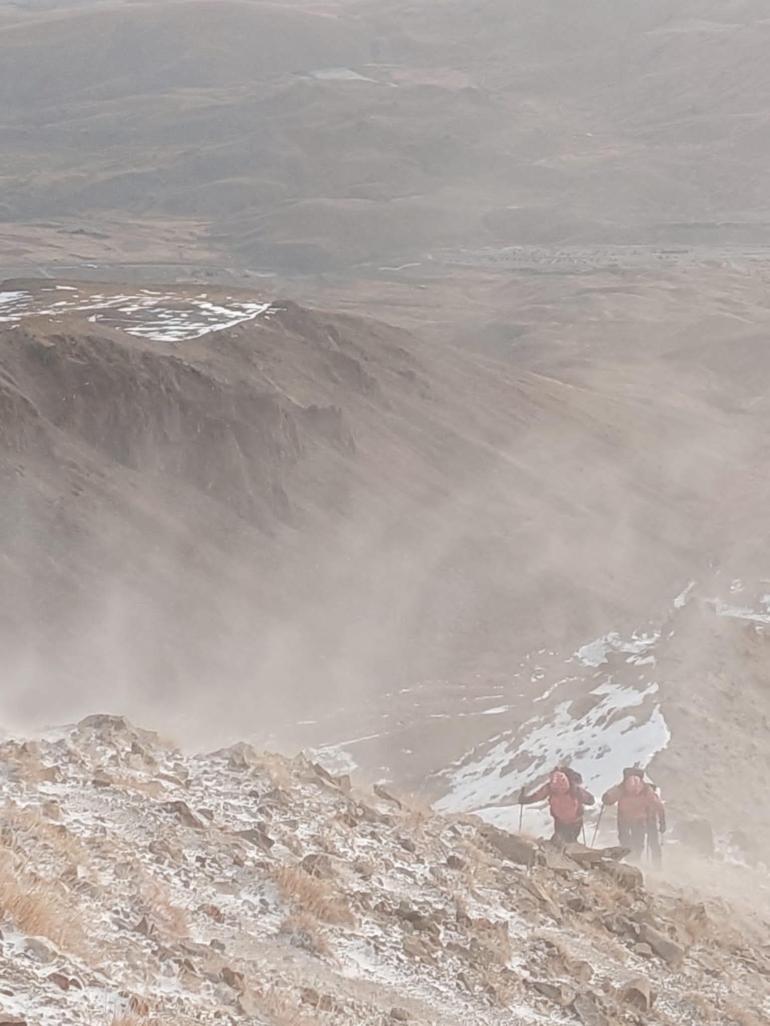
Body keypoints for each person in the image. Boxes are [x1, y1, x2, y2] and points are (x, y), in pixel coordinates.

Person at [602, 767, 666, 866]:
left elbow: (609, 798)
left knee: (624, 840)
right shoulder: (646, 789)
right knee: (638, 842)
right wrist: (662, 822)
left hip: (624, 819)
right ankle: (637, 862)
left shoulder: (622, 787)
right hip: (640, 820)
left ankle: (628, 860)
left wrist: (606, 799)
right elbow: (659, 806)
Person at [519, 766, 595, 843]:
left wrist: (525, 800)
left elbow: (537, 797)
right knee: (566, 842)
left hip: (564, 821)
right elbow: (591, 800)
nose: (560, 790)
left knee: (560, 841)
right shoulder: (575, 789)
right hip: (573, 821)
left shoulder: (551, 788)